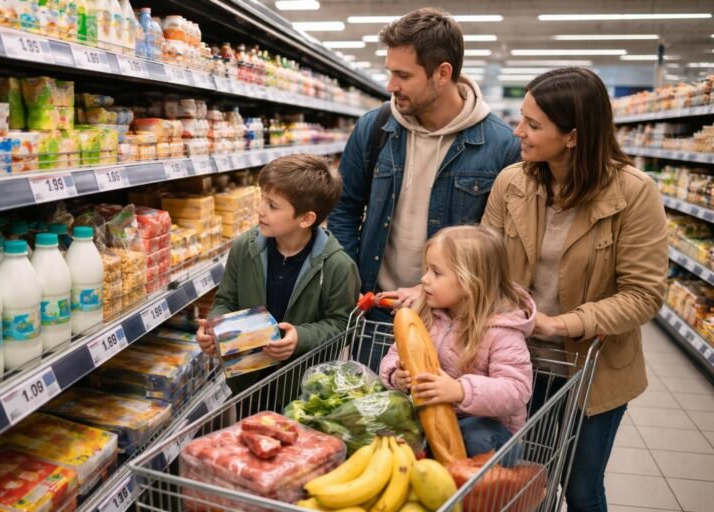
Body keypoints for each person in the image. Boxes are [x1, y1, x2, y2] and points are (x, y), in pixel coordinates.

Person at [482, 67, 668, 512]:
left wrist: (557, 324)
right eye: (521, 118)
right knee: (518, 484)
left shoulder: (634, 193)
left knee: (581, 488)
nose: (518, 131)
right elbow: (484, 264)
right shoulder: (512, 182)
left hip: (591, 373)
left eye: (533, 124)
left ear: (572, 136)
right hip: (515, 364)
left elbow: (644, 294)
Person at [328, 7, 520, 318]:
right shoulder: (374, 129)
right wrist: (350, 279)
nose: (391, 86)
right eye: (390, 71)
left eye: (403, 75)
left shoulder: (501, 146)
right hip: (374, 307)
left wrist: (433, 290)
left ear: (443, 73)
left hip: (451, 319)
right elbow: (344, 208)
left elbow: (498, 246)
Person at [196, 154, 361, 395]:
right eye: (262, 198)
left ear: (306, 218)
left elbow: (341, 325)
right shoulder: (245, 248)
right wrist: (215, 328)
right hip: (247, 383)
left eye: (272, 205)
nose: (260, 210)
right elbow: (225, 300)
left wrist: (300, 338)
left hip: (300, 387)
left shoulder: (337, 266)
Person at [378, 226, 535, 458]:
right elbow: (395, 355)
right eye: (426, 269)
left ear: (471, 282)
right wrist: (396, 375)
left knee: (473, 435)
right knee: (384, 423)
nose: (424, 279)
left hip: (488, 430)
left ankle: (468, 488)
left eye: (436, 273)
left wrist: (460, 390)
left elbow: (516, 389)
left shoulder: (502, 330)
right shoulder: (425, 314)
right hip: (431, 417)